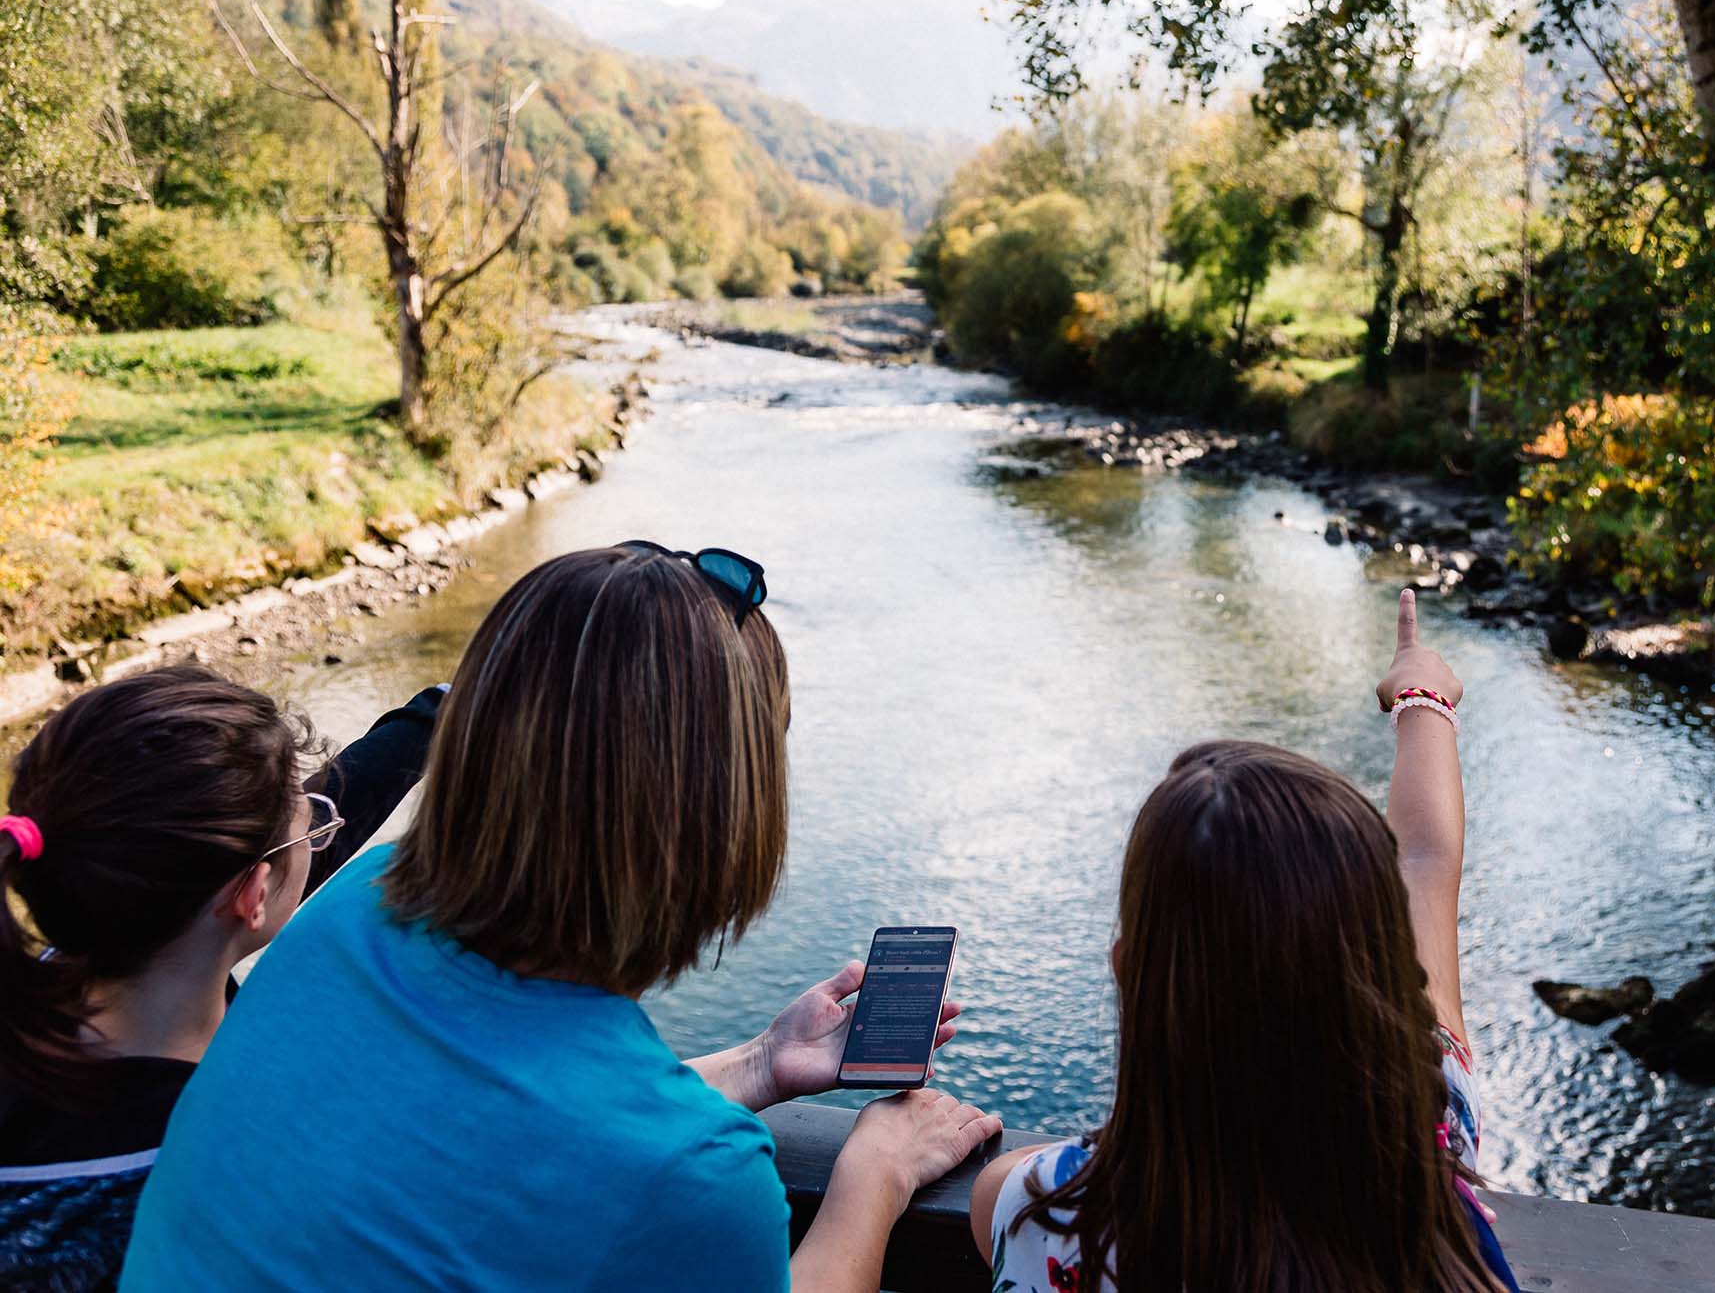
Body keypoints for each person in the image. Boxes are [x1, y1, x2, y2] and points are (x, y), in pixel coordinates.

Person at [122, 544, 1003, 1292]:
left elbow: (498, 1147)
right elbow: (598, 1155)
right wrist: (874, 1177)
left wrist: (759, 1064)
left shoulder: (356, 909)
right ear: (722, 809)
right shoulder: (696, 1179)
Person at [972, 588, 1520, 1292]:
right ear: (1379, 972)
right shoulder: (1434, 1138)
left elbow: (994, 1186)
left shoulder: (1051, 1218)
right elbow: (1424, 862)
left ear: (1127, 972)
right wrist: (1422, 695)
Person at [0, 667, 447, 1290]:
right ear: (252, 896)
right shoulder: (213, 1155)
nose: (321, 831)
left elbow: (238, 867)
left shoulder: (53, 972)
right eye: (312, 823)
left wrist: (439, 712)